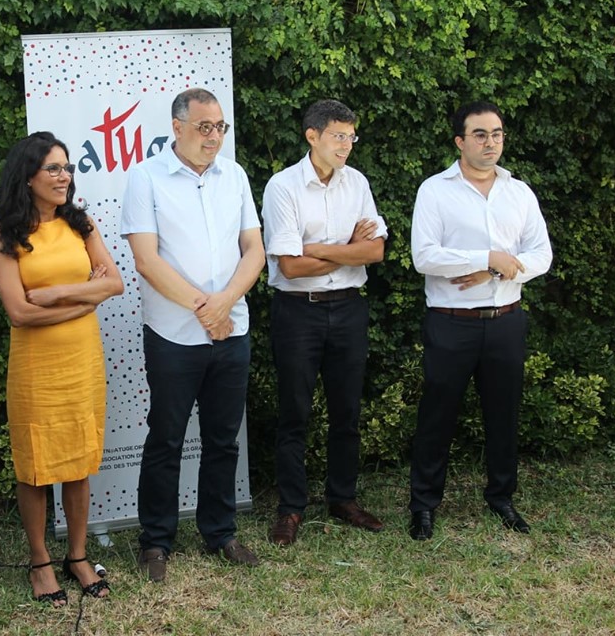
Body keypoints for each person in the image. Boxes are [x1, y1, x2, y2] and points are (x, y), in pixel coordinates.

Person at [121, 88, 266, 582]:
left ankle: (220, 532)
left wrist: (225, 304)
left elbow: (254, 250)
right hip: (173, 334)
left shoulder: (235, 175)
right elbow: (147, 260)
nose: (214, 136)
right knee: (166, 438)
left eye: (220, 126)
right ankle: (156, 541)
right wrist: (207, 309)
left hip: (232, 329)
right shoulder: (146, 177)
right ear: (177, 127)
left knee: (224, 439)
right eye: (204, 127)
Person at [408, 101, 553, 541]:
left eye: (497, 133)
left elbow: (541, 255)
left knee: (504, 414)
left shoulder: (519, 192)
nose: (491, 142)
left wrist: (493, 270)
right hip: (451, 323)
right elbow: (425, 257)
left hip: (506, 321)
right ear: (460, 141)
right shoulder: (435, 191)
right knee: (437, 416)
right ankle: (424, 504)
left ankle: (501, 497)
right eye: (480, 134)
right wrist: (486, 257)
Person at [0, 131, 123, 606]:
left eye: (67, 167)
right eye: (53, 168)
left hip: (81, 361)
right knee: (35, 467)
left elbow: (114, 283)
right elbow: (18, 313)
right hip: (36, 367)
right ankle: (40, 561)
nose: (64, 176)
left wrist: (54, 293)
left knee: (79, 462)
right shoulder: (6, 235)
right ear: (28, 176)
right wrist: (83, 299)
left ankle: (78, 556)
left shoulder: (80, 223)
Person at [261, 100, 388, 546]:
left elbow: (375, 251)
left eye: (351, 136)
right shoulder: (283, 187)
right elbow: (290, 267)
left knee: (346, 411)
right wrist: (347, 248)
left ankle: (342, 499)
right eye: (338, 136)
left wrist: (317, 248)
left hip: (348, 307)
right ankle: (291, 508)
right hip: (299, 310)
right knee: (294, 412)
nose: (347, 145)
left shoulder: (358, 183)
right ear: (312, 136)